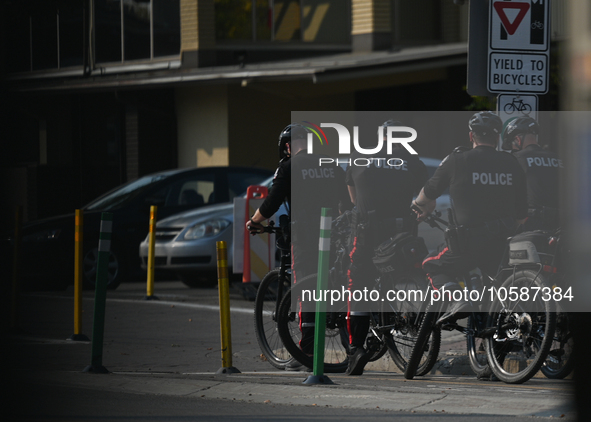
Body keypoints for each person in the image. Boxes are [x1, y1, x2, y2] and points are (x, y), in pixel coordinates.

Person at [247, 123, 351, 370]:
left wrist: (254, 221)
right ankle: (352, 347)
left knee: (305, 290)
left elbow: (272, 200)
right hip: (334, 234)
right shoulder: (330, 163)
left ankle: (306, 354)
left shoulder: (288, 166)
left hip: (305, 236)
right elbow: (345, 200)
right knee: (337, 285)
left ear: (287, 147)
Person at [412, 111, 528, 326]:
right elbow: (522, 213)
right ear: (497, 138)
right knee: (494, 288)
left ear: (470, 136)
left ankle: (457, 299)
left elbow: (427, 193)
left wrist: (421, 206)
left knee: (431, 264)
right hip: (503, 244)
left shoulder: (457, 160)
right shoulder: (511, 162)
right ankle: (490, 344)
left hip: (466, 244)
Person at [344, 119, 428, 375]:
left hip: (368, 231)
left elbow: (353, 198)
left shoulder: (359, 159)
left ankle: (356, 348)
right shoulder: (413, 162)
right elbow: (426, 193)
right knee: (397, 273)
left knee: (358, 282)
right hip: (403, 233)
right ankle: (398, 319)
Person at [501, 116, 562, 231]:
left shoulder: (517, 158)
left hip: (531, 224)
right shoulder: (558, 159)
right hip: (561, 225)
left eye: (512, 146)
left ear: (517, 140)